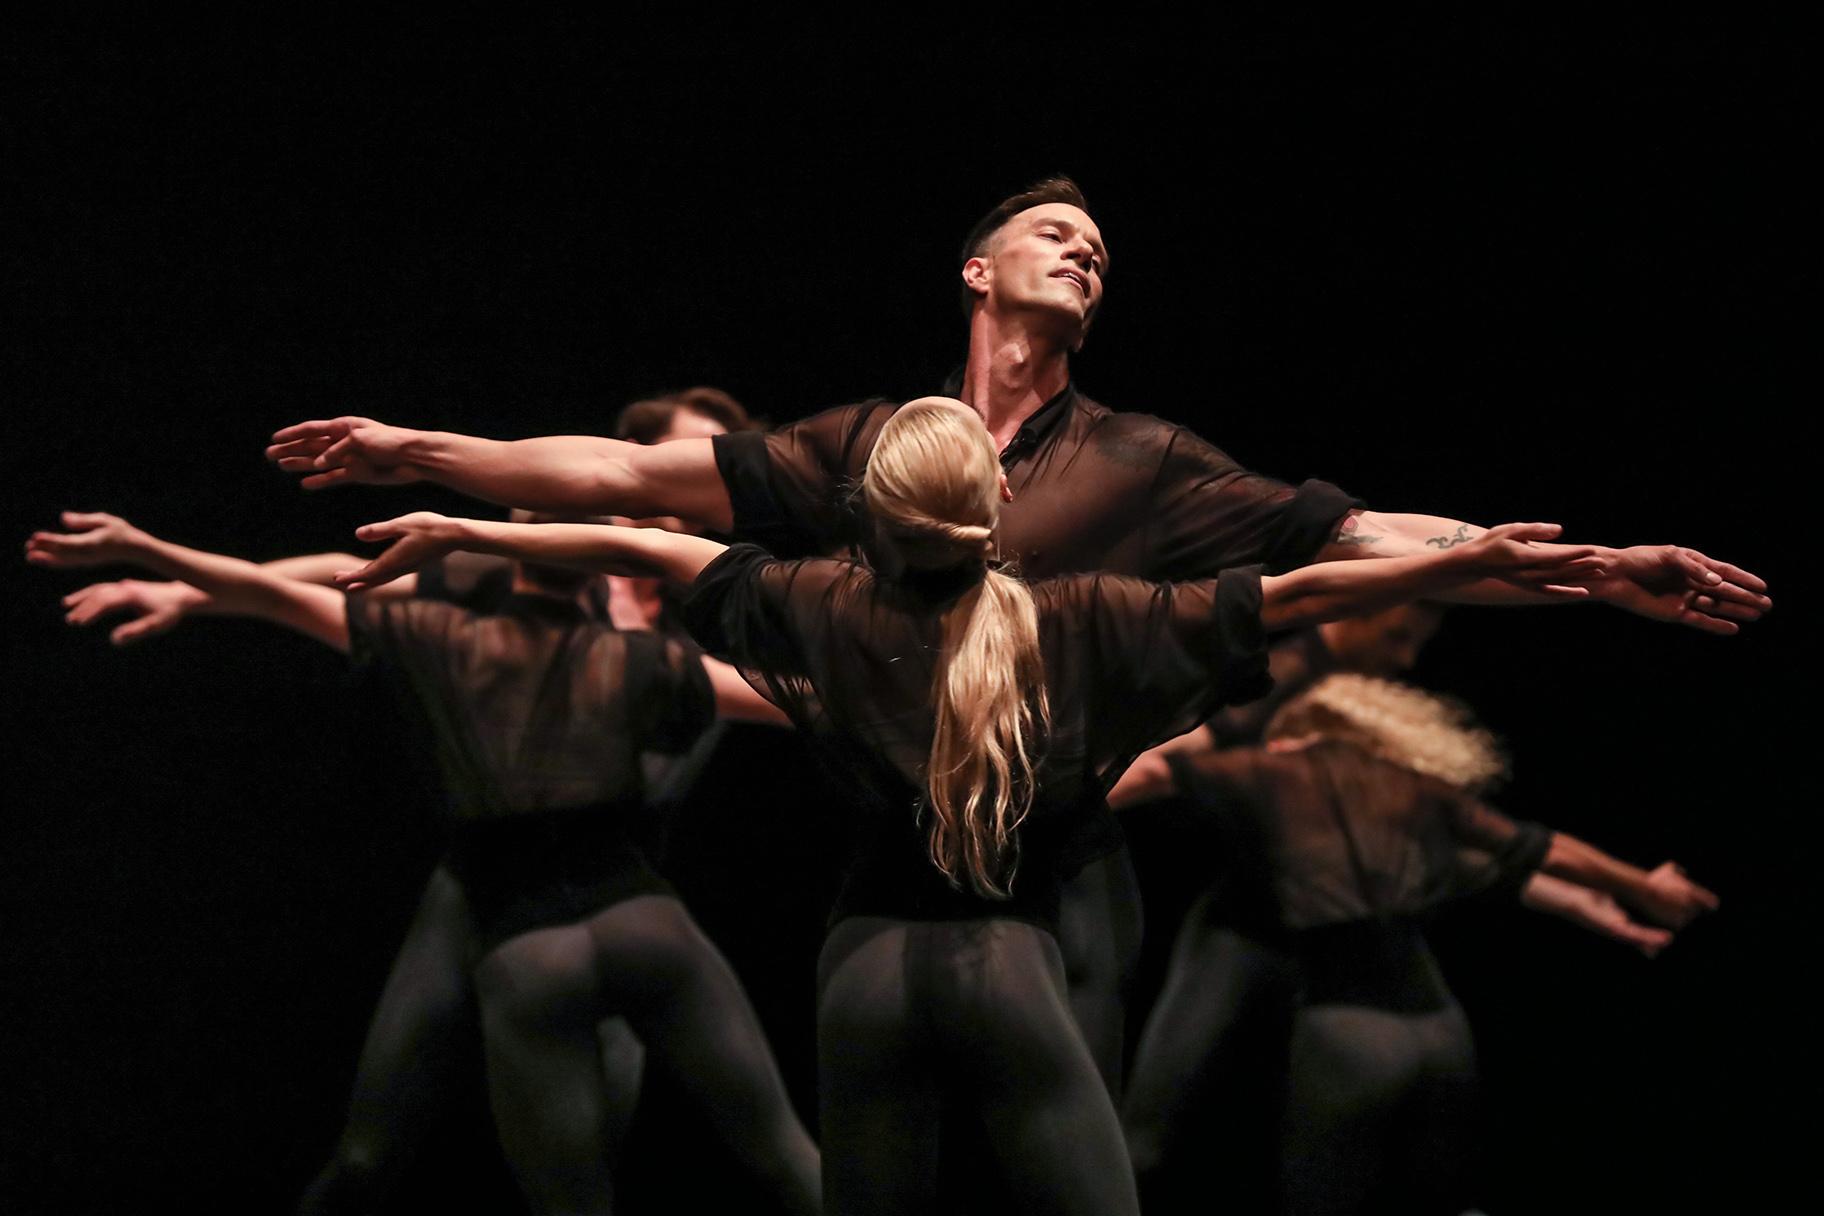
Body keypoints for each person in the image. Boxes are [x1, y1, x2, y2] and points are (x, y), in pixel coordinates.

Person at [260, 177, 1768, 1092]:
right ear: (977, 272)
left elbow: (1383, 551)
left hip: (1065, 853)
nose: (1085, 252)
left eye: (1102, 249)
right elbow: (622, 483)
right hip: (888, 863)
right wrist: (419, 450)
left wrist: (1592, 570)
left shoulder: (1148, 464)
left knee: (1083, 1128)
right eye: (1057, 234)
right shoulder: (873, 448)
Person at [299, 395, 1611, 1212]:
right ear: (993, 513)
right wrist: (1485, 559)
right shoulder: (1076, 620)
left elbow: (639, 539)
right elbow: (1301, 591)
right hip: (1008, 964)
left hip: (857, 966)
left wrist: (472, 531)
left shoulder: (813, 602)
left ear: (869, 514)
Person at [27, 510, 820, 1216]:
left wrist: (148, 547)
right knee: (782, 1155)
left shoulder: (433, 637)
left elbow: (274, 595)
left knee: (574, 1194)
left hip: (532, 940)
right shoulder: (636, 656)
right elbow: (797, 700)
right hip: (635, 918)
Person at [1117, 673, 1718, 1214]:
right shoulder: (1413, 795)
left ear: (1293, 732)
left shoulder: (1266, 771)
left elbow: (1153, 772)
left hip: (1352, 1035)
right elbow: (1532, 854)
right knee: (1450, 1200)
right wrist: (1639, 890)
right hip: (1442, 1033)